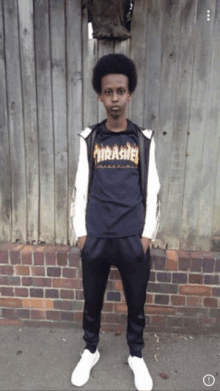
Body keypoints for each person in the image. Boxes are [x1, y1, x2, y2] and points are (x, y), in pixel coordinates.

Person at [70, 53, 160, 391]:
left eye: (121, 91)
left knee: (136, 303)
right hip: (96, 237)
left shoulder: (143, 139)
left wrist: (147, 236)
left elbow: (154, 189)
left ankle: (135, 355)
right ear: (100, 95)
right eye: (109, 92)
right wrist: (82, 234)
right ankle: (90, 349)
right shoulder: (90, 138)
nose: (115, 99)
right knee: (91, 301)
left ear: (130, 93)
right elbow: (79, 188)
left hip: (131, 238)